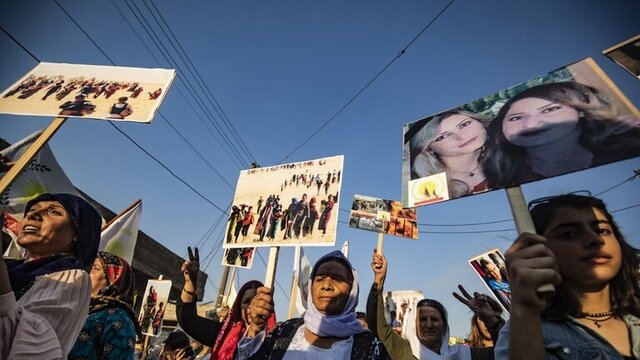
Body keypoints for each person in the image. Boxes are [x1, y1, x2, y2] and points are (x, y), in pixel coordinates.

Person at [495, 193, 640, 359]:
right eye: (569, 234)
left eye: (602, 230)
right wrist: (524, 311)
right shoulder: (528, 330)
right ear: (537, 250)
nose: (595, 239)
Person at [0, 193, 102, 359]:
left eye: (54, 212)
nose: (33, 215)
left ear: (78, 233)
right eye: (32, 210)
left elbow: (19, 344)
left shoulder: (73, 277)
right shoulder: (10, 267)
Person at [484, 82, 640, 188]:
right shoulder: (500, 175)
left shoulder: (629, 146)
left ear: (581, 111)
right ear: (502, 127)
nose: (530, 124)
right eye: (516, 118)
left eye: (549, 110)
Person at [237, 250, 389, 359]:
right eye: (320, 278)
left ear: (352, 290)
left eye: (337, 278)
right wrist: (255, 328)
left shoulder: (370, 347)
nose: (326, 285)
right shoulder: (285, 331)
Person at [368, 250, 504, 360]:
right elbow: (378, 327)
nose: (429, 324)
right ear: (413, 325)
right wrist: (379, 280)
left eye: (434, 319)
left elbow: (505, 352)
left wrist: (491, 321)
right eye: (422, 319)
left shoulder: (464, 355)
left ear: (444, 325)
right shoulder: (404, 352)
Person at [177, 247, 276, 360]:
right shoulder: (223, 334)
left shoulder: (278, 340)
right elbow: (188, 320)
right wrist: (190, 283)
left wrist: (256, 328)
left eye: (257, 300)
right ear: (238, 308)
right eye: (246, 301)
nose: (252, 306)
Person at [68, 251, 141, 359]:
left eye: (96, 268)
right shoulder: (84, 307)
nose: (88, 272)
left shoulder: (119, 319)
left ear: (113, 279)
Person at [406, 109, 491, 197]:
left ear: (480, 122)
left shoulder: (501, 156)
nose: (461, 136)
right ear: (428, 148)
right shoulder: (425, 188)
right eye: (443, 136)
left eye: (464, 124)